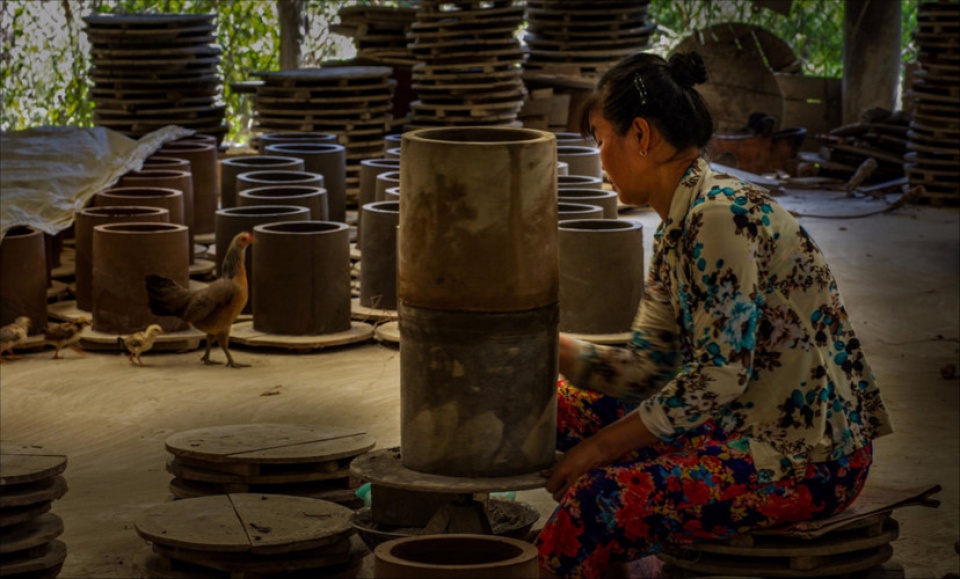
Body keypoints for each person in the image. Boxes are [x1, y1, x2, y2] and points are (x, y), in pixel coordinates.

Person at [536, 51, 893, 578]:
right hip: (734, 423)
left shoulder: (720, 217)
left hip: (808, 458)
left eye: (599, 137)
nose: (598, 155)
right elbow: (647, 368)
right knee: (555, 409)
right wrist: (541, 347)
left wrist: (599, 450)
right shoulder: (679, 225)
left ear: (640, 135)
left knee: (599, 499)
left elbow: (720, 375)